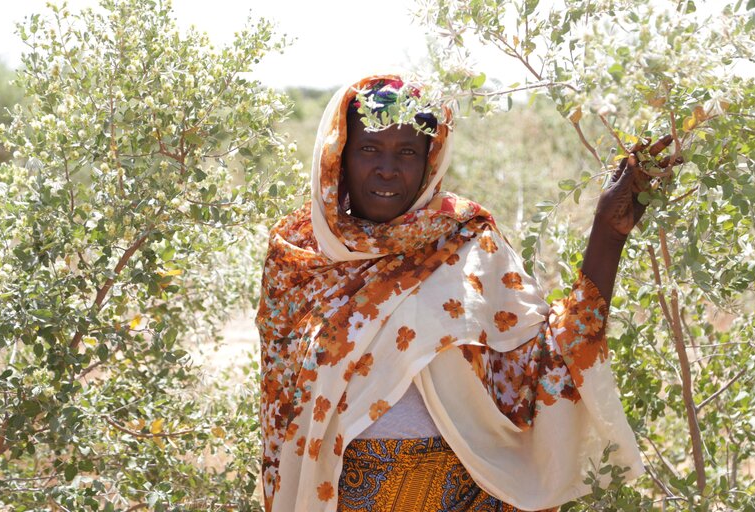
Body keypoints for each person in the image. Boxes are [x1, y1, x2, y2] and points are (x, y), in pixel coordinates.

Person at [256, 74, 676, 512]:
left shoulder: (468, 243)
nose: (387, 168)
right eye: (369, 149)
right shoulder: (301, 258)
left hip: (466, 496)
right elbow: (282, 412)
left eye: (407, 152)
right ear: (339, 157)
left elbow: (545, 362)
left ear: (429, 160)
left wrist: (606, 236)